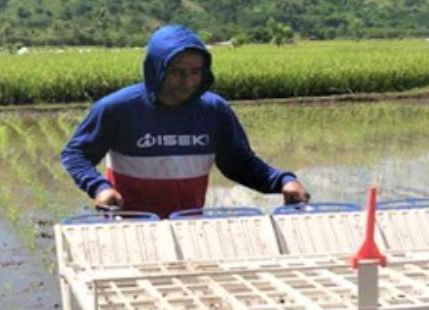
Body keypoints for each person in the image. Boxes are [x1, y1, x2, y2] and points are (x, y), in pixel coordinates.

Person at [61, 25, 310, 219]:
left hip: (188, 223)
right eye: (178, 72)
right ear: (156, 69)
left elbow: (239, 163)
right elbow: (75, 154)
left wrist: (283, 181)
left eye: (196, 72)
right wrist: (99, 188)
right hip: (128, 223)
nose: (188, 82)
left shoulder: (214, 111)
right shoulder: (118, 108)